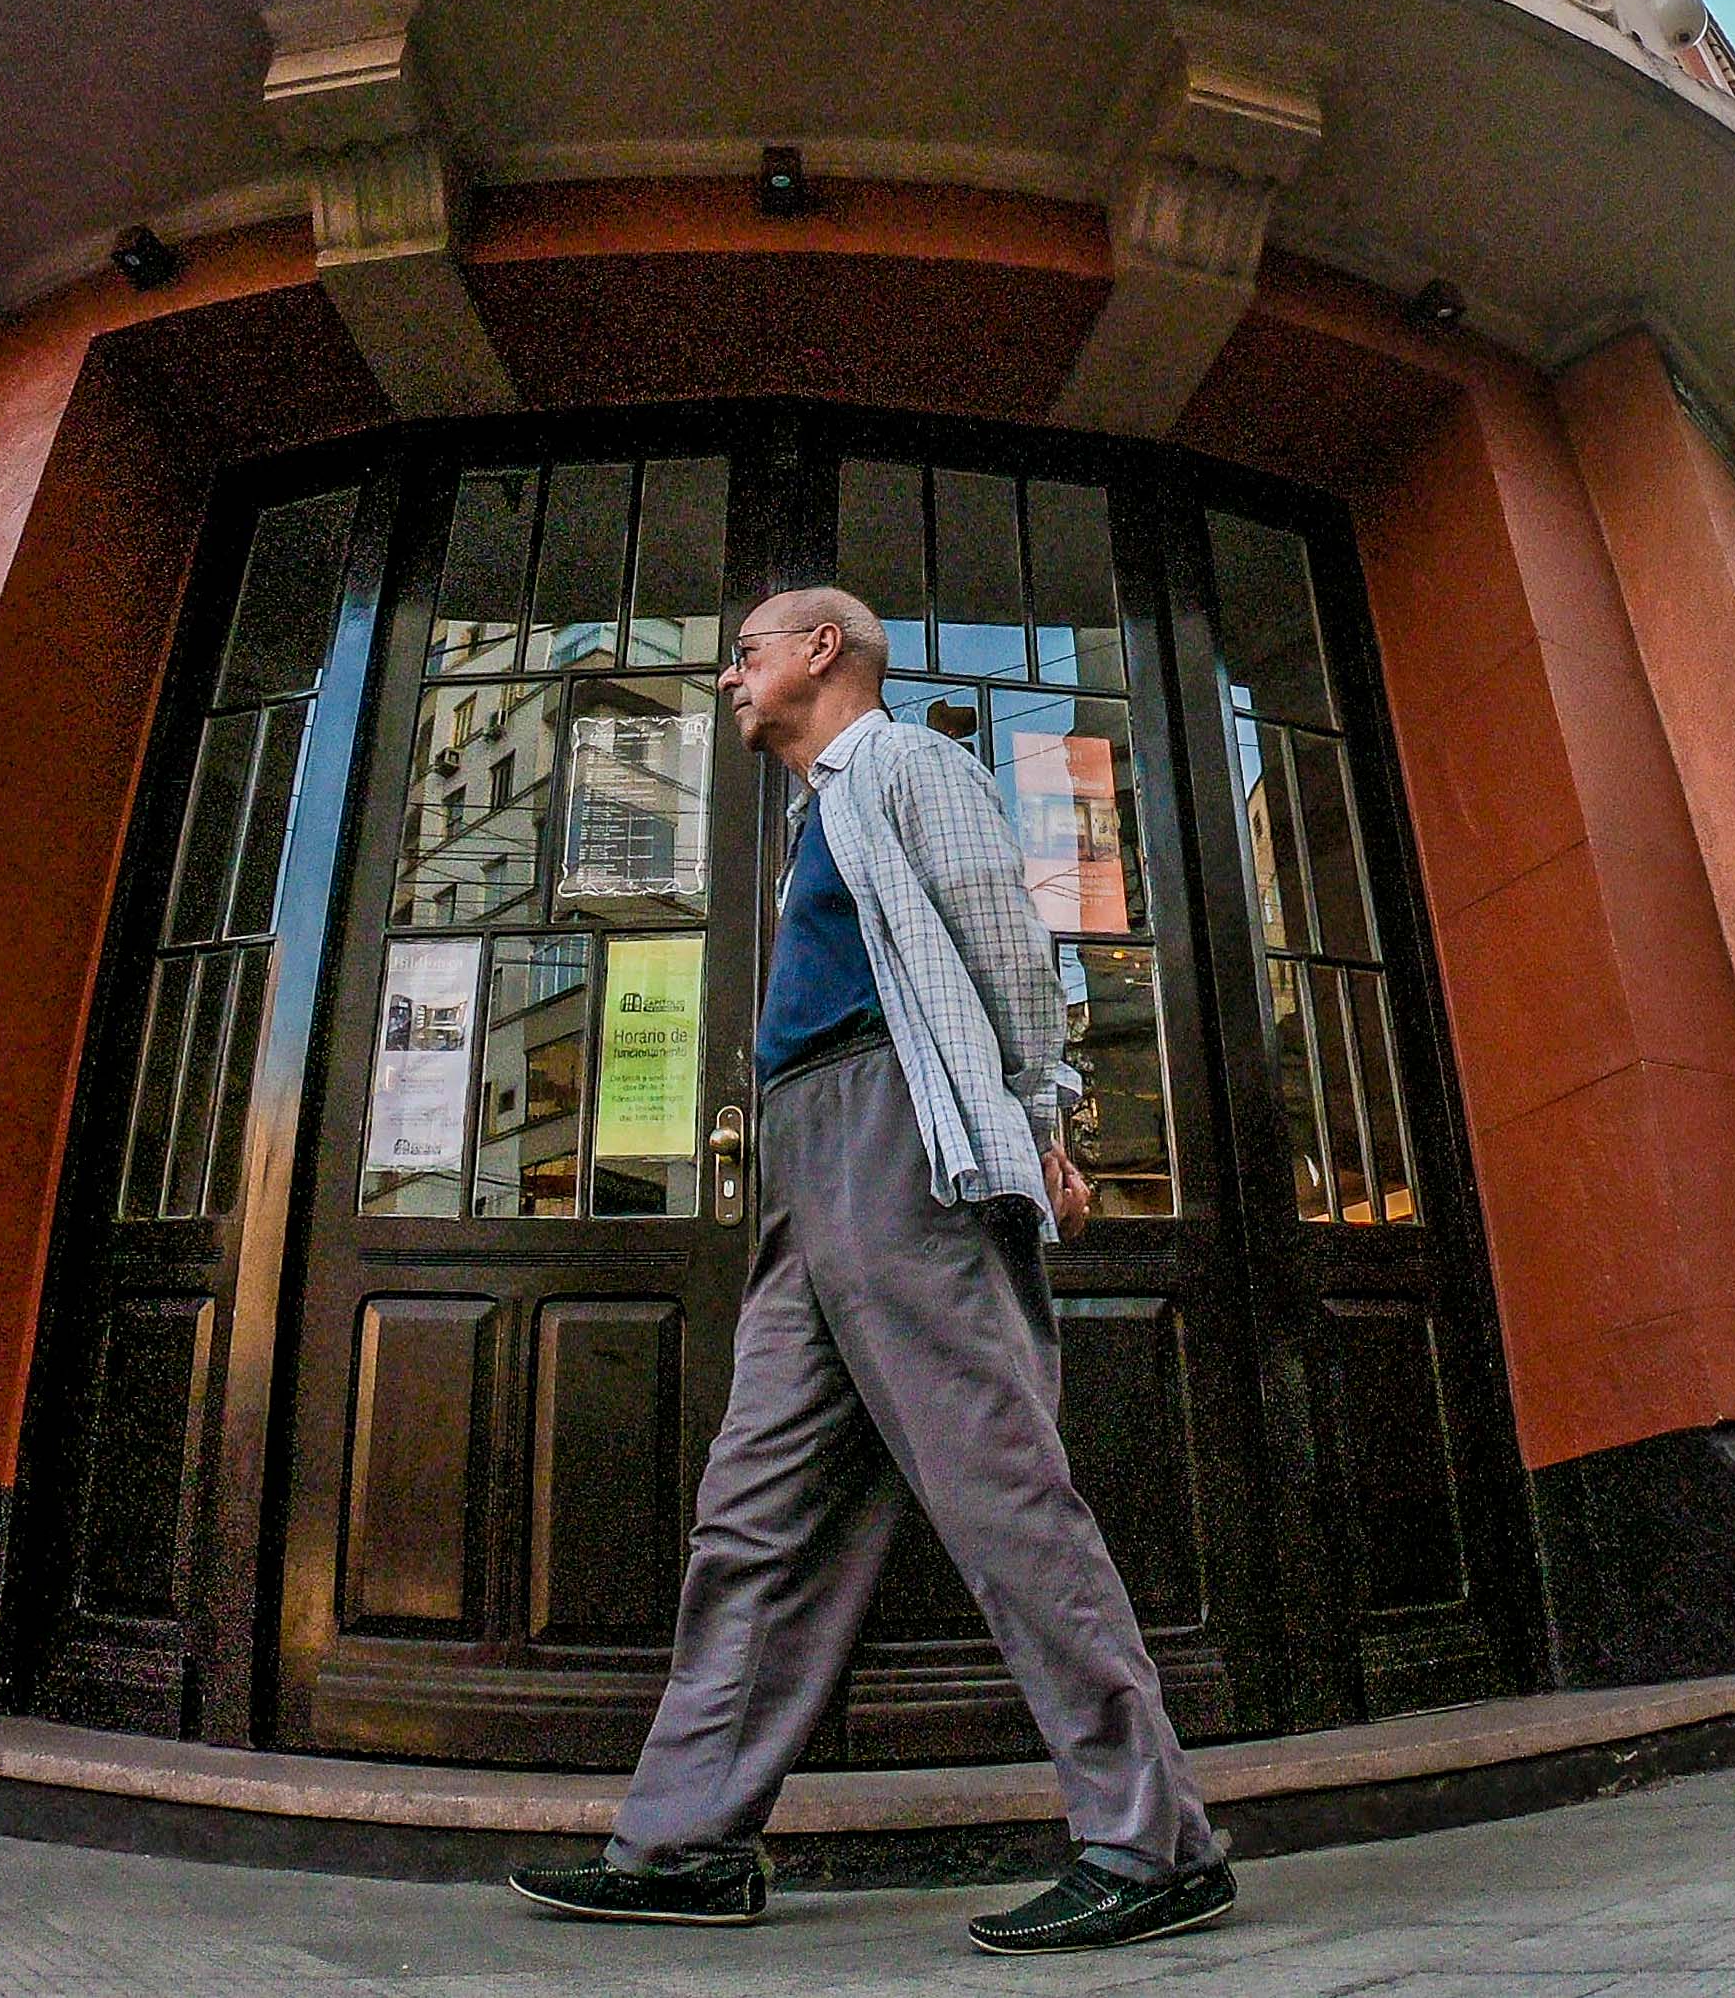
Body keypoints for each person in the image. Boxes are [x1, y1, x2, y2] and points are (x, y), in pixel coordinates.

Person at [510, 587, 1231, 1954]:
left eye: (746, 650)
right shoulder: (808, 814)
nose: (729, 675)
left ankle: (1154, 1840)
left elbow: (1009, 952)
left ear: (819, 651)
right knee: (753, 1512)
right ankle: (684, 1845)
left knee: (998, 1490)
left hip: (905, 1142)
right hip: (804, 1162)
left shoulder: (908, 764)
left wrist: (1041, 1112)